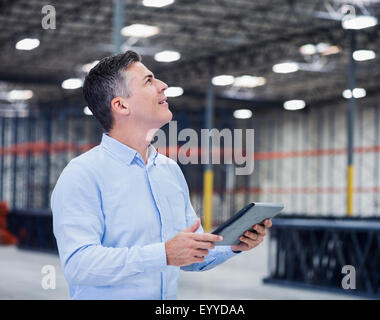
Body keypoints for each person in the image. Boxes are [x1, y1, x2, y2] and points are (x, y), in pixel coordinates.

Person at [51, 50, 272, 300]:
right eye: (148, 80)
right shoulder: (83, 175)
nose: (163, 85)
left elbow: (187, 256)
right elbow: (79, 265)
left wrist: (231, 245)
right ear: (121, 105)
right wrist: (163, 254)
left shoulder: (169, 171)